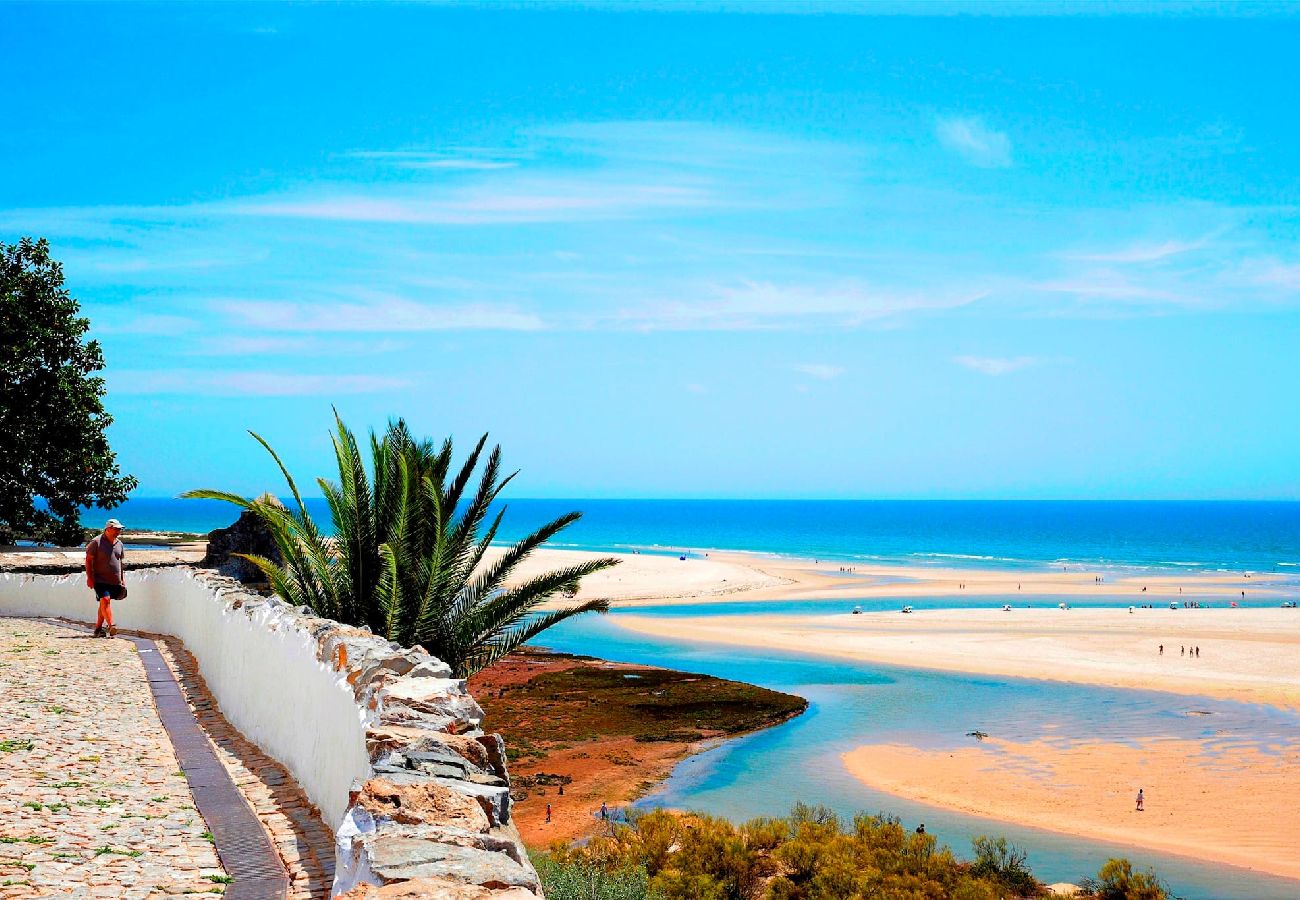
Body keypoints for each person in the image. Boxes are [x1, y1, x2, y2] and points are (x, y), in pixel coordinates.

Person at [84, 518, 126, 638]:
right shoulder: (96, 542)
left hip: (114, 580)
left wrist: (122, 579)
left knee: (104, 603)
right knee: (106, 599)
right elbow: (88, 560)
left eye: (119, 529)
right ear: (108, 529)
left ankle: (98, 629)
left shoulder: (120, 544)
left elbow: (120, 563)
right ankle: (111, 625)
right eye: (116, 529)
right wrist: (89, 578)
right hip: (100, 579)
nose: (118, 531)